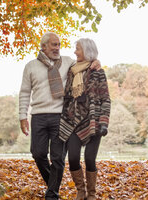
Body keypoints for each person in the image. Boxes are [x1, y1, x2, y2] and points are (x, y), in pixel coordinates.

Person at [19, 32, 100, 200]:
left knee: (57, 157)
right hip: (38, 116)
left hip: (61, 117)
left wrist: (96, 62)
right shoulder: (31, 66)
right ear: (43, 46)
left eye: (59, 45)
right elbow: (25, 93)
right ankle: (52, 184)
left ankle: (52, 195)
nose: (57, 48)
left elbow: (85, 64)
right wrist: (22, 116)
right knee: (38, 153)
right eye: (54, 45)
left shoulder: (68, 63)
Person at [59, 38, 111, 200]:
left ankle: (92, 194)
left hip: (93, 123)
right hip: (73, 122)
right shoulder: (71, 71)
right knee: (73, 158)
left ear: (87, 51)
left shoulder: (98, 72)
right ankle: (81, 191)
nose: (75, 52)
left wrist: (104, 122)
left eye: (78, 49)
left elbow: (105, 99)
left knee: (90, 159)